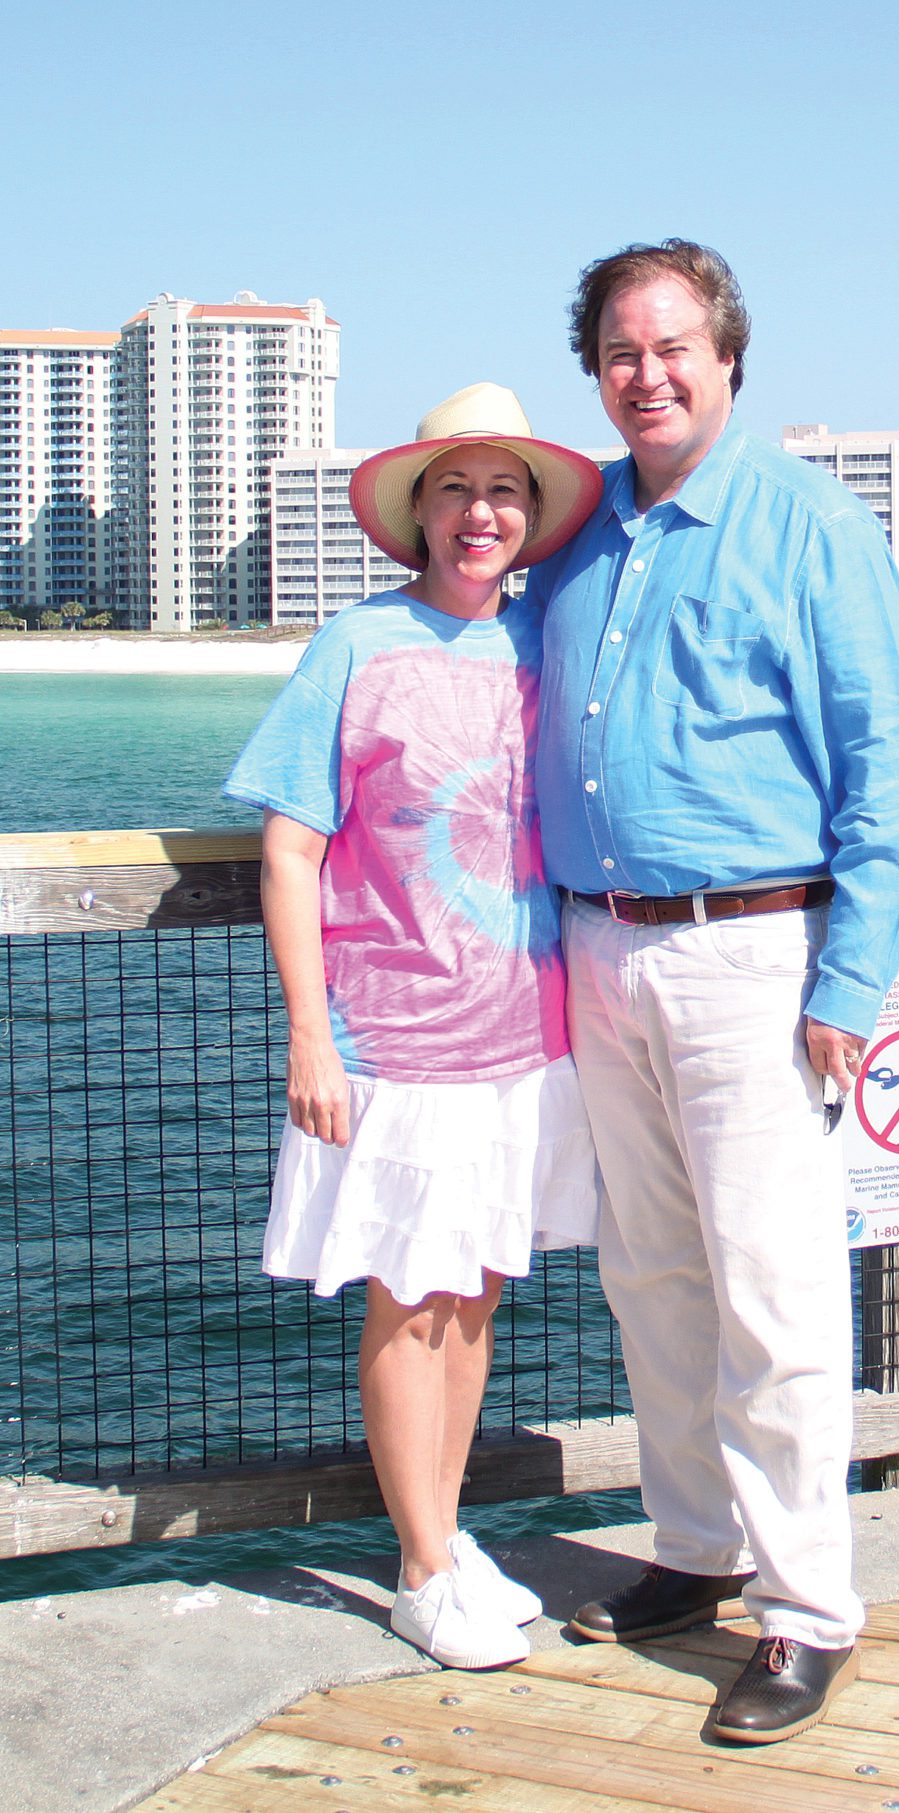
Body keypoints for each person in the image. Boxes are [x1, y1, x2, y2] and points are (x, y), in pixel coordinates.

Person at [530, 240, 899, 1744]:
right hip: (596, 946)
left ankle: (808, 1607)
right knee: (652, 1277)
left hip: (755, 955)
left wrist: (853, 977)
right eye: (623, 351)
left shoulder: (813, 525)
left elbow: (887, 775)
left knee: (773, 1294)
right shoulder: (575, 532)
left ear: (731, 355)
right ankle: (691, 1550)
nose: (650, 373)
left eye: (675, 345)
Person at [225, 384, 605, 1670]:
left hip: (521, 1035)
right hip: (390, 1037)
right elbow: (288, 845)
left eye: (504, 491)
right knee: (406, 1299)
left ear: (530, 517)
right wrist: (308, 1037)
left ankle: (433, 1542)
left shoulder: (545, 642)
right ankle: (429, 1565)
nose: (480, 513)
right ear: (417, 514)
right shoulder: (354, 643)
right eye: (456, 489)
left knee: (478, 1289)